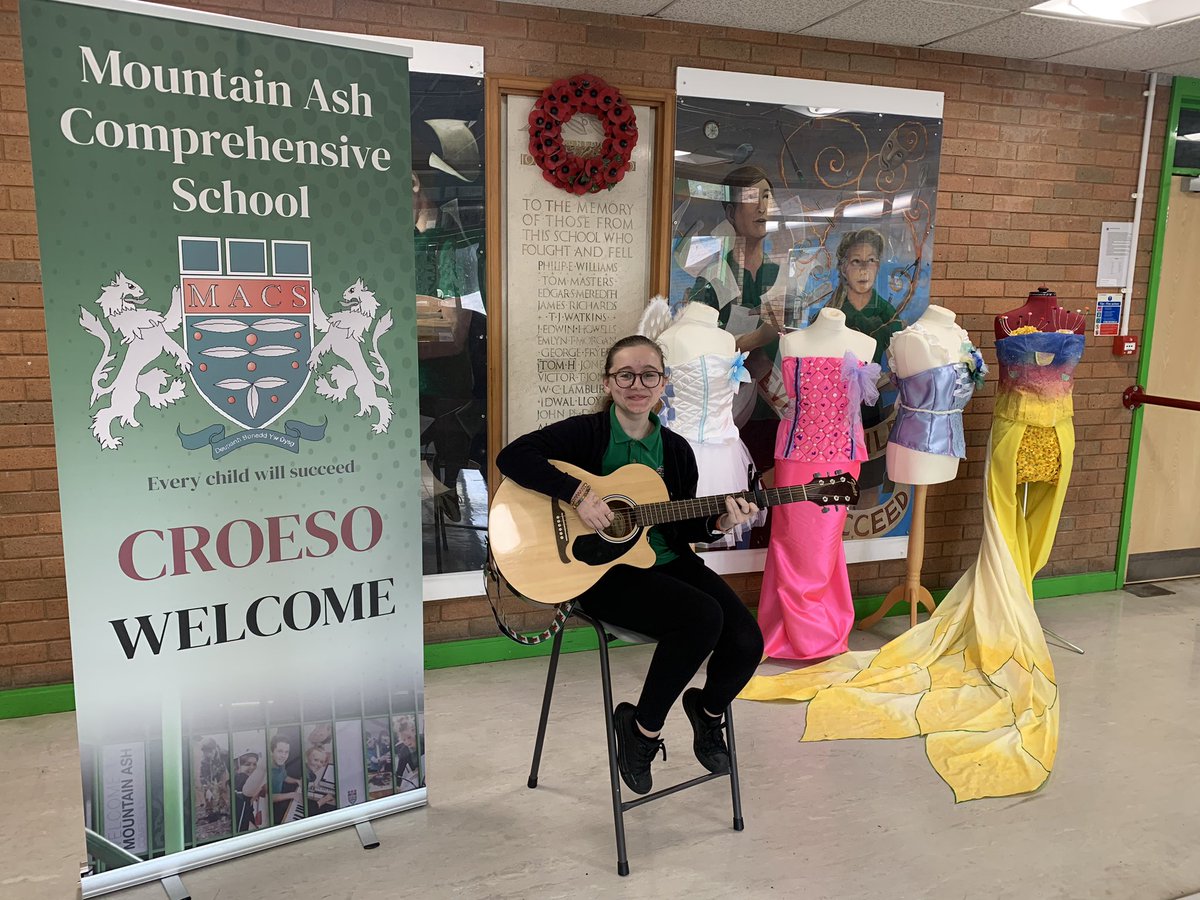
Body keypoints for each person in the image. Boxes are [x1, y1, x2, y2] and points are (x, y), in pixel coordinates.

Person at [495, 335, 764, 795]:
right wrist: (577, 493)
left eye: (648, 375)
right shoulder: (587, 433)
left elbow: (682, 532)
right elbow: (511, 456)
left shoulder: (677, 451)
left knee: (746, 639)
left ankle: (708, 712)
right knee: (702, 618)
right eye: (625, 375)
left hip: (664, 561)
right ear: (609, 382)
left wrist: (719, 521)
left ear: (663, 383)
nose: (637, 385)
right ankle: (641, 732)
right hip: (598, 571)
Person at [685, 166, 788, 473]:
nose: (762, 207)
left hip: (777, 415)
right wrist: (756, 340)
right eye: (751, 197)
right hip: (726, 418)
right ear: (730, 211)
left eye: (767, 197)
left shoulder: (781, 274)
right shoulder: (713, 278)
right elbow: (696, 351)